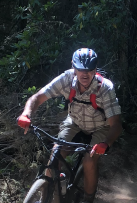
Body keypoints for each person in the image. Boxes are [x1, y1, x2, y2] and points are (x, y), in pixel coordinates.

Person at [17, 48, 122, 203]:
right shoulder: (66, 78)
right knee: (55, 156)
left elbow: (116, 125)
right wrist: (26, 114)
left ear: (95, 69)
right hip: (74, 122)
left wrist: (105, 144)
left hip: (101, 127)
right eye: (80, 69)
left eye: (89, 70)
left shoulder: (105, 88)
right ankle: (47, 196)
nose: (84, 74)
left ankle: (88, 200)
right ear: (73, 66)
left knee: (89, 160)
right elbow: (37, 97)